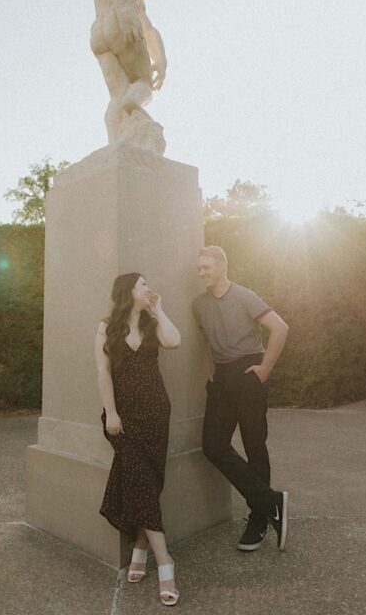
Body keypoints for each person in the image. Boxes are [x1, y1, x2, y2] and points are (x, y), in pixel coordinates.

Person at [193, 245, 290, 552]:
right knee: (213, 446)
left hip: (248, 371)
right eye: (199, 268)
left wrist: (264, 369)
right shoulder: (199, 304)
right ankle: (270, 500)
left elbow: (280, 327)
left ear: (222, 266)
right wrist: (211, 369)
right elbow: (207, 339)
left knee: (253, 444)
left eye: (206, 267)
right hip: (221, 378)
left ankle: (259, 520)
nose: (201, 272)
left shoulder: (245, 296)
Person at [95, 273, 182, 606]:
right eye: (143, 285)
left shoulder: (150, 323)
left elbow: (174, 341)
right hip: (123, 419)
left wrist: (160, 311)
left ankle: (142, 548)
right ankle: (166, 563)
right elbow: (102, 371)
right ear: (128, 291)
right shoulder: (106, 327)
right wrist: (111, 413)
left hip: (156, 413)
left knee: (148, 481)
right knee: (143, 480)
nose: (148, 289)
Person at [90, 0, 168, 151]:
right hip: (119, 26)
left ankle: (115, 145)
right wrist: (125, 11)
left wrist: (161, 58)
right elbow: (149, 31)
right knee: (144, 83)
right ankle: (132, 105)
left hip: (98, 32)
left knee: (117, 95)